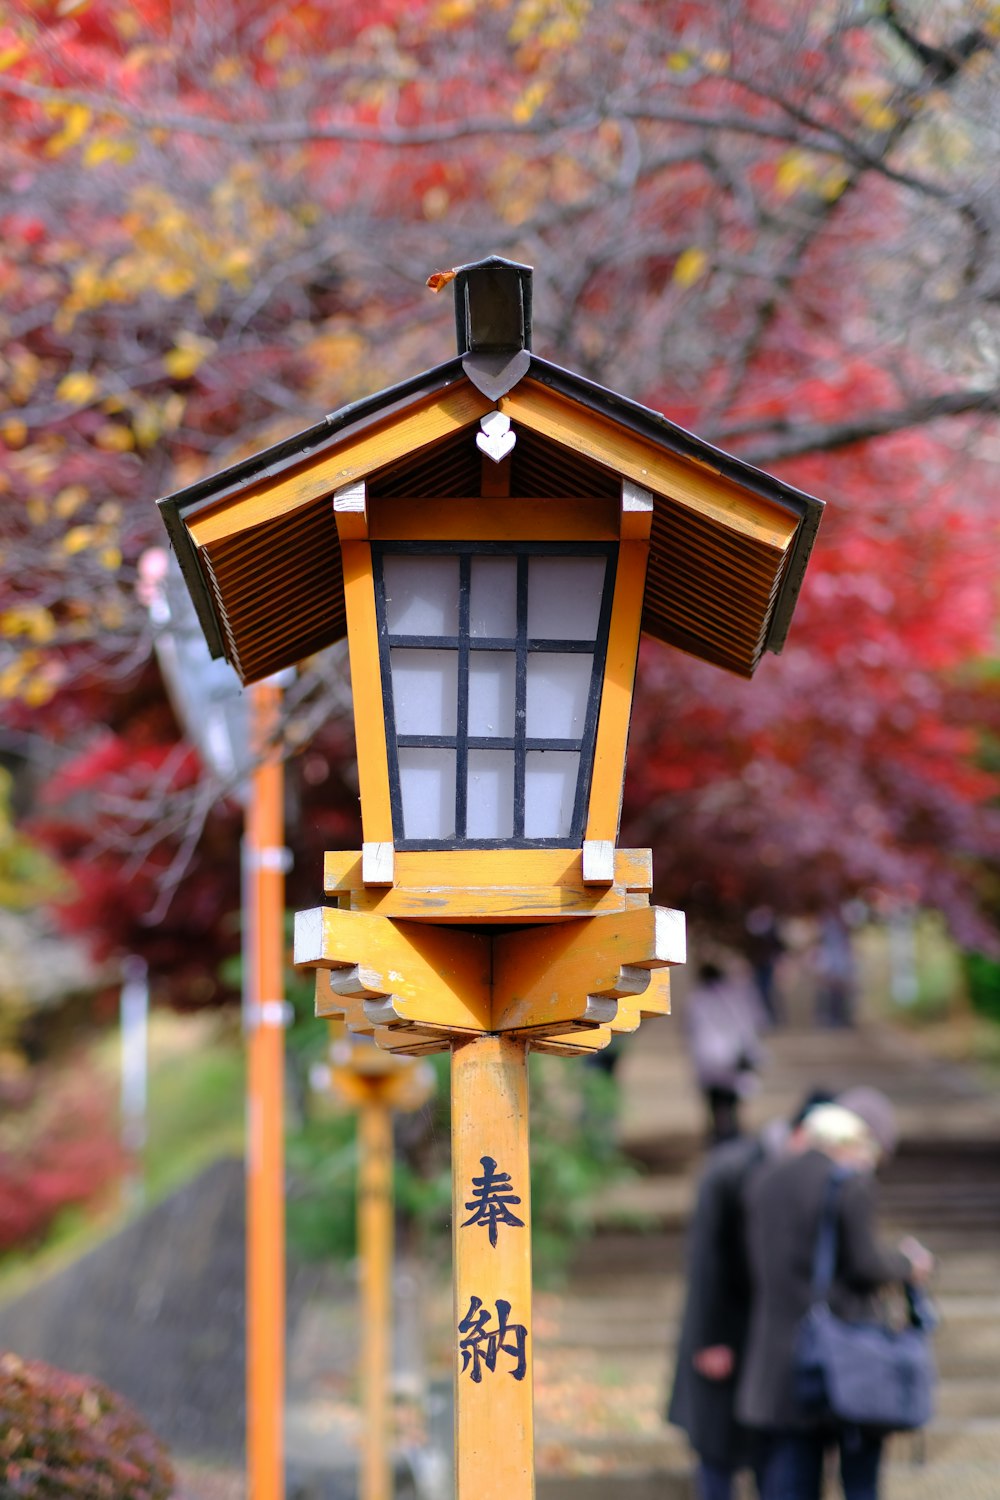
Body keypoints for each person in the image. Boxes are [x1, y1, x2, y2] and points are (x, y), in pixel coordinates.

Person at [736, 1092, 934, 1500]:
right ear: (850, 1141)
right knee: (859, 1481)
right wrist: (906, 1263)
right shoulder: (849, 1182)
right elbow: (864, 1264)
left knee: (792, 1477)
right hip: (844, 1353)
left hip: (781, 1357)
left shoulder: (765, 1180)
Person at [668, 1092, 834, 1500]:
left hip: (761, 1331)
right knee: (717, 1449)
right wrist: (711, 1338)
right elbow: (706, 1260)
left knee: (759, 1446)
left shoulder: (787, 1173)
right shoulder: (732, 1169)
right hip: (723, 1328)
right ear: (800, 1134)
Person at [684, 960, 767, 1143]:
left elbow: (691, 1030)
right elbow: (752, 1025)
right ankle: (731, 1139)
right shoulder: (735, 996)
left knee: (715, 1106)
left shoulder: (697, 1000)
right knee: (732, 1106)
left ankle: (721, 1140)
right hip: (732, 1059)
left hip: (708, 1062)